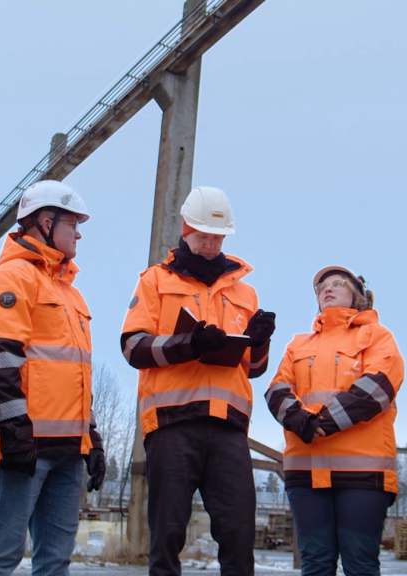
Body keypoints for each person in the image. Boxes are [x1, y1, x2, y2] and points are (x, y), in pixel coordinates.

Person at [121, 186, 276, 576]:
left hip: (228, 426)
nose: (210, 244)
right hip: (173, 423)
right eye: (203, 235)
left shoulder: (245, 292)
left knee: (239, 536)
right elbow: (133, 347)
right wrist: (186, 345)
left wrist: (259, 342)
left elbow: (253, 369)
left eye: (217, 237)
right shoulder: (155, 281)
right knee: (167, 536)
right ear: (185, 229)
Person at [0, 180, 104, 576]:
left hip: (67, 451)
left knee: (55, 563)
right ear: (45, 223)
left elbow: (72, 374)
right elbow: (0, 362)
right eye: (73, 223)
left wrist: (91, 436)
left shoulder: (69, 293)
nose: (79, 232)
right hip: (23, 447)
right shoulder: (11, 278)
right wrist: (13, 431)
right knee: (0, 558)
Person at [265, 266, 404, 576]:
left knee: (360, 564)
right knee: (315, 565)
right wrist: (302, 421)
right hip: (305, 471)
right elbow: (277, 390)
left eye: (338, 283)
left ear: (359, 296)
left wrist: (319, 424)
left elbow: (377, 388)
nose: (327, 289)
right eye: (320, 287)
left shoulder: (377, 337)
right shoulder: (298, 344)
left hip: (363, 473)